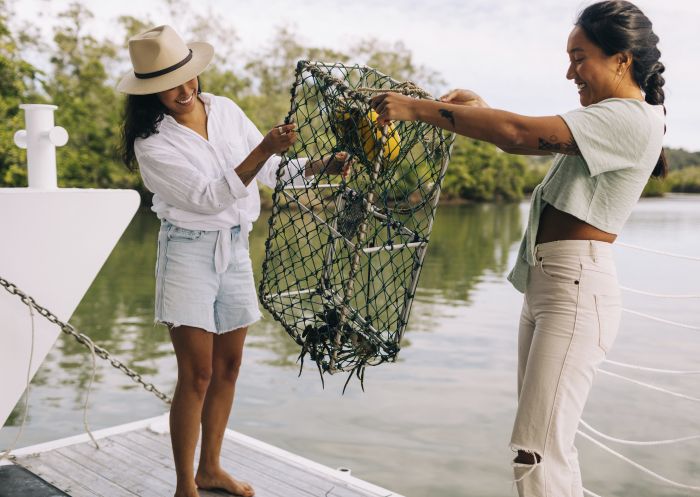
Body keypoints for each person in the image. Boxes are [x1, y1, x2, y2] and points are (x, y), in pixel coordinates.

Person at [370, 1, 666, 496]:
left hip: (575, 290)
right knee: (545, 444)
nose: (569, 71)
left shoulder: (630, 118)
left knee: (538, 449)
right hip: (552, 287)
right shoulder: (608, 120)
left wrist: (417, 110)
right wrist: (474, 109)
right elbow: (522, 135)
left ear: (621, 59)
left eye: (580, 57)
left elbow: (517, 135)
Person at [117, 25, 350, 497]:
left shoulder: (222, 108)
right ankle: (186, 484)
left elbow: (270, 170)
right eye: (170, 86)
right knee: (196, 374)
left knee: (229, 367)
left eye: (188, 79)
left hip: (236, 246)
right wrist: (263, 146)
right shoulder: (152, 144)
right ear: (148, 92)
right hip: (188, 250)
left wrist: (320, 165)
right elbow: (206, 198)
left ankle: (211, 468)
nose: (185, 91)